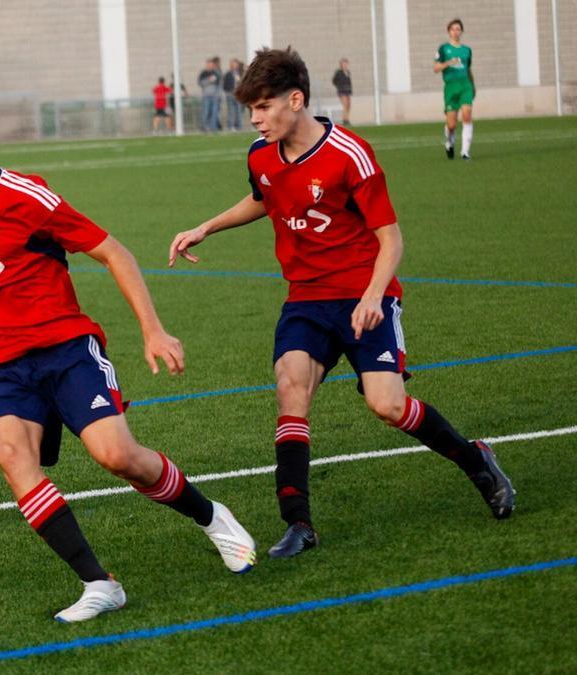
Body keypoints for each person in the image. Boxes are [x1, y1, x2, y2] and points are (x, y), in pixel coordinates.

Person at [0, 97, 256, 623]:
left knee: (118, 456)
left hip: (68, 351)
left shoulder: (30, 197)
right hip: (5, 365)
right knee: (8, 452)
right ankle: (99, 583)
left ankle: (213, 517)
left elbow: (115, 253)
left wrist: (153, 330)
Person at [168, 47, 514, 559]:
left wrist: (374, 295)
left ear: (296, 99)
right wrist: (205, 227)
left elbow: (391, 238)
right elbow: (264, 198)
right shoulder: (260, 154)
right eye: (251, 110)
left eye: (264, 107)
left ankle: (476, 459)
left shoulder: (349, 154)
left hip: (363, 296)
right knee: (291, 390)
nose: (256, 119)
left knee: (387, 404)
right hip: (306, 300)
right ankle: (298, 523)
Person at [434, 18, 475, 160]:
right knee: (451, 125)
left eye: (458, 29)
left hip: (465, 85)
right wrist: (448, 63)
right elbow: (436, 68)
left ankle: (465, 152)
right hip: (451, 87)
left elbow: (468, 69)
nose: (455, 32)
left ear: (461, 31)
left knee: (467, 115)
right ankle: (449, 142)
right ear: (449, 32)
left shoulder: (467, 50)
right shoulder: (443, 49)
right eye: (453, 29)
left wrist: (473, 85)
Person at [197, 57, 223, 132]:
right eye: (209, 64)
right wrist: (209, 80)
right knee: (206, 112)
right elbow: (200, 83)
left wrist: (219, 95)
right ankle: (205, 127)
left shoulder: (217, 73)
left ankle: (213, 128)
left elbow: (219, 84)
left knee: (214, 113)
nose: (211, 66)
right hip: (206, 96)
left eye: (212, 65)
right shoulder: (203, 73)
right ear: (207, 65)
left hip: (215, 96)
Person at [223, 59, 245, 131]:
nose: (234, 66)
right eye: (233, 64)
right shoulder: (228, 74)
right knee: (231, 111)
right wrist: (230, 90)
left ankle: (239, 126)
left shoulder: (240, 73)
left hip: (238, 94)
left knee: (239, 111)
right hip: (230, 94)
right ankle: (231, 126)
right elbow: (224, 85)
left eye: (236, 64)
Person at [332, 58, 352, 126]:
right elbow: (334, 80)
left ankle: (346, 118)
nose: (345, 65)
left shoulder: (348, 72)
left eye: (346, 64)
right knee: (345, 104)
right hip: (342, 91)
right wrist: (339, 86)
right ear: (341, 65)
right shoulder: (338, 72)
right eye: (344, 64)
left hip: (348, 90)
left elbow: (349, 82)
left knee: (349, 105)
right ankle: (345, 120)